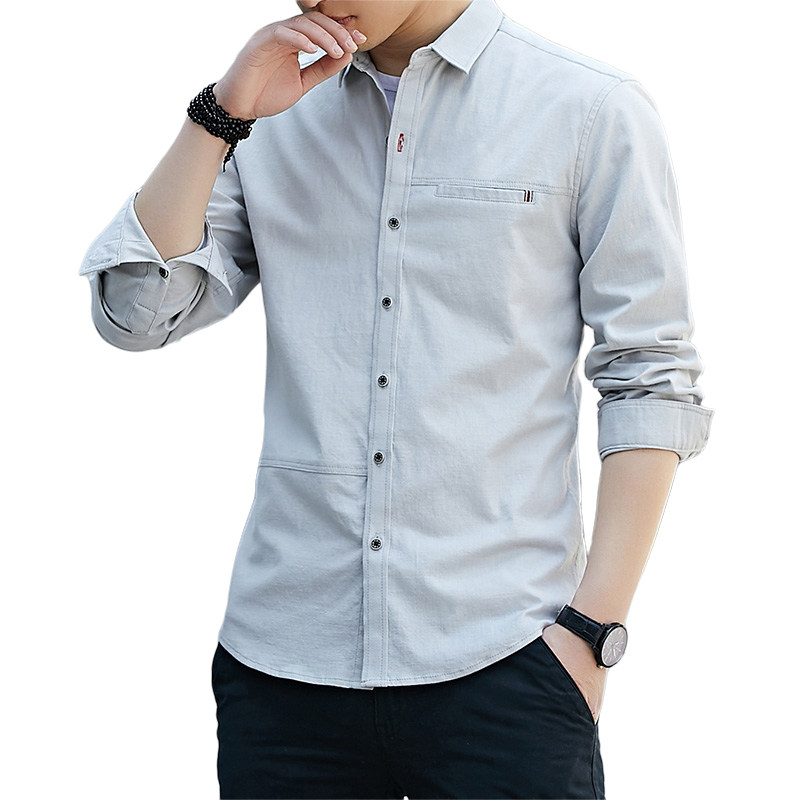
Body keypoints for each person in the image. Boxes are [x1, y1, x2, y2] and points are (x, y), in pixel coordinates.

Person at [78, 1, 715, 797]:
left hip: (505, 657)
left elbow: (650, 375)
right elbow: (137, 316)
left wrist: (590, 634)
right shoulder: (270, 111)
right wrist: (220, 116)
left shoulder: (587, 107)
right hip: (283, 671)